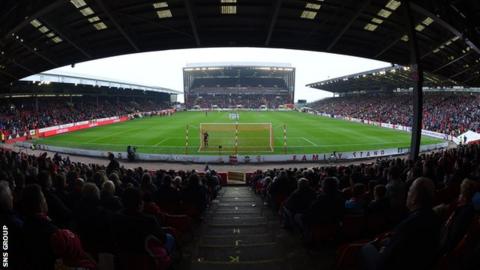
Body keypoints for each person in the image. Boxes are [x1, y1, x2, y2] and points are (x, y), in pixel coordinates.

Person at [361, 177, 441, 270]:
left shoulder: (408, 225)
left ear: (414, 198)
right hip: (422, 262)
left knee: (365, 248)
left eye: (409, 191)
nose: (407, 194)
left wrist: (384, 249)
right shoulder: (435, 217)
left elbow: (386, 260)